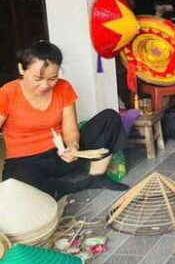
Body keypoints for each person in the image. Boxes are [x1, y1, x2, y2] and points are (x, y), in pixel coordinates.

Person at [0, 41, 127, 197]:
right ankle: (66, 184)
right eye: (37, 79)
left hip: (61, 155)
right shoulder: (7, 93)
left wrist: (73, 147)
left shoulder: (63, 88)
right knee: (18, 190)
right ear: (21, 69)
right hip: (26, 162)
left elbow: (70, 128)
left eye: (52, 79)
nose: (45, 85)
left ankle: (96, 177)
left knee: (110, 118)